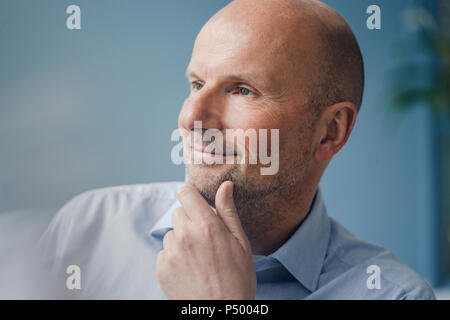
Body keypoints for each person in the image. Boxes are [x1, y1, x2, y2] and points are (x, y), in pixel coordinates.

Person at [40, 0, 436, 299]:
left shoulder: (392, 294)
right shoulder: (85, 229)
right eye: (196, 85)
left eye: (242, 90)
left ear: (330, 132)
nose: (191, 118)